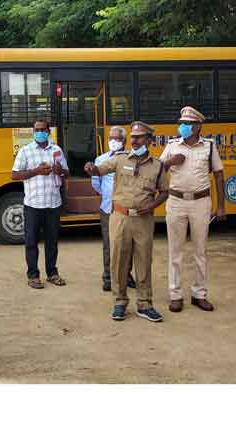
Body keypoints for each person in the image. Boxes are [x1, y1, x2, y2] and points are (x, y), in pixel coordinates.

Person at [84, 121, 169, 323]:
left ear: (149, 140)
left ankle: (144, 304)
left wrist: (152, 205)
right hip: (120, 218)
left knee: (144, 261)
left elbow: (165, 192)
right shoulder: (120, 160)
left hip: (143, 220)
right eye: (132, 137)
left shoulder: (157, 165)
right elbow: (99, 169)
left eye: (139, 137)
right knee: (118, 261)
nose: (134, 140)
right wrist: (91, 168)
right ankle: (120, 301)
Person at [160, 106, 226, 313]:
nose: (183, 127)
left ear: (198, 126)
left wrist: (221, 206)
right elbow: (155, 169)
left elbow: (219, 174)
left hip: (201, 202)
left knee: (200, 251)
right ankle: (175, 294)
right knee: (175, 251)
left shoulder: (208, 146)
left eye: (188, 124)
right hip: (176, 200)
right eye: (182, 123)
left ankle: (200, 294)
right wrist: (171, 161)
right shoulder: (171, 145)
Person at [11, 118, 69, 289]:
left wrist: (61, 171)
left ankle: (52, 273)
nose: (40, 132)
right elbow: (14, 175)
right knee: (31, 242)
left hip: (53, 203)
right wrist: (36, 171)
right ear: (33, 132)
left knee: (52, 241)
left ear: (48, 132)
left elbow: (67, 172)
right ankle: (33, 275)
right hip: (33, 204)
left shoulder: (57, 150)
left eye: (43, 130)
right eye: (37, 130)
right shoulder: (26, 151)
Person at [92, 126, 136, 292]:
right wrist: (107, 196)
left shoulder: (132, 158)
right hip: (108, 208)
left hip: (127, 209)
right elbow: (96, 183)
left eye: (116, 139)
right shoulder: (100, 159)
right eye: (110, 138)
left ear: (124, 141)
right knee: (109, 244)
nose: (112, 141)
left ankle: (127, 275)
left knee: (128, 244)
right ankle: (108, 277)